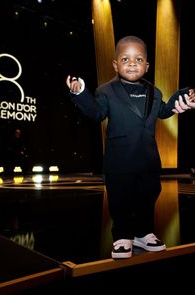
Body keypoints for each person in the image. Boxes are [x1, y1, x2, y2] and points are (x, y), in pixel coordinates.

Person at [66, 35, 195, 259]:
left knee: (148, 195)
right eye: (125, 59)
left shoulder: (155, 92)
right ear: (115, 64)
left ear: (146, 65)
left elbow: (163, 111)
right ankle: (122, 236)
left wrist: (183, 97)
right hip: (119, 161)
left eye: (138, 59)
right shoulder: (106, 91)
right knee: (120, 198)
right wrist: (80, 93)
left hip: (148, 159)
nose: (132, 63)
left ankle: (144, 233)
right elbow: (96, 113)